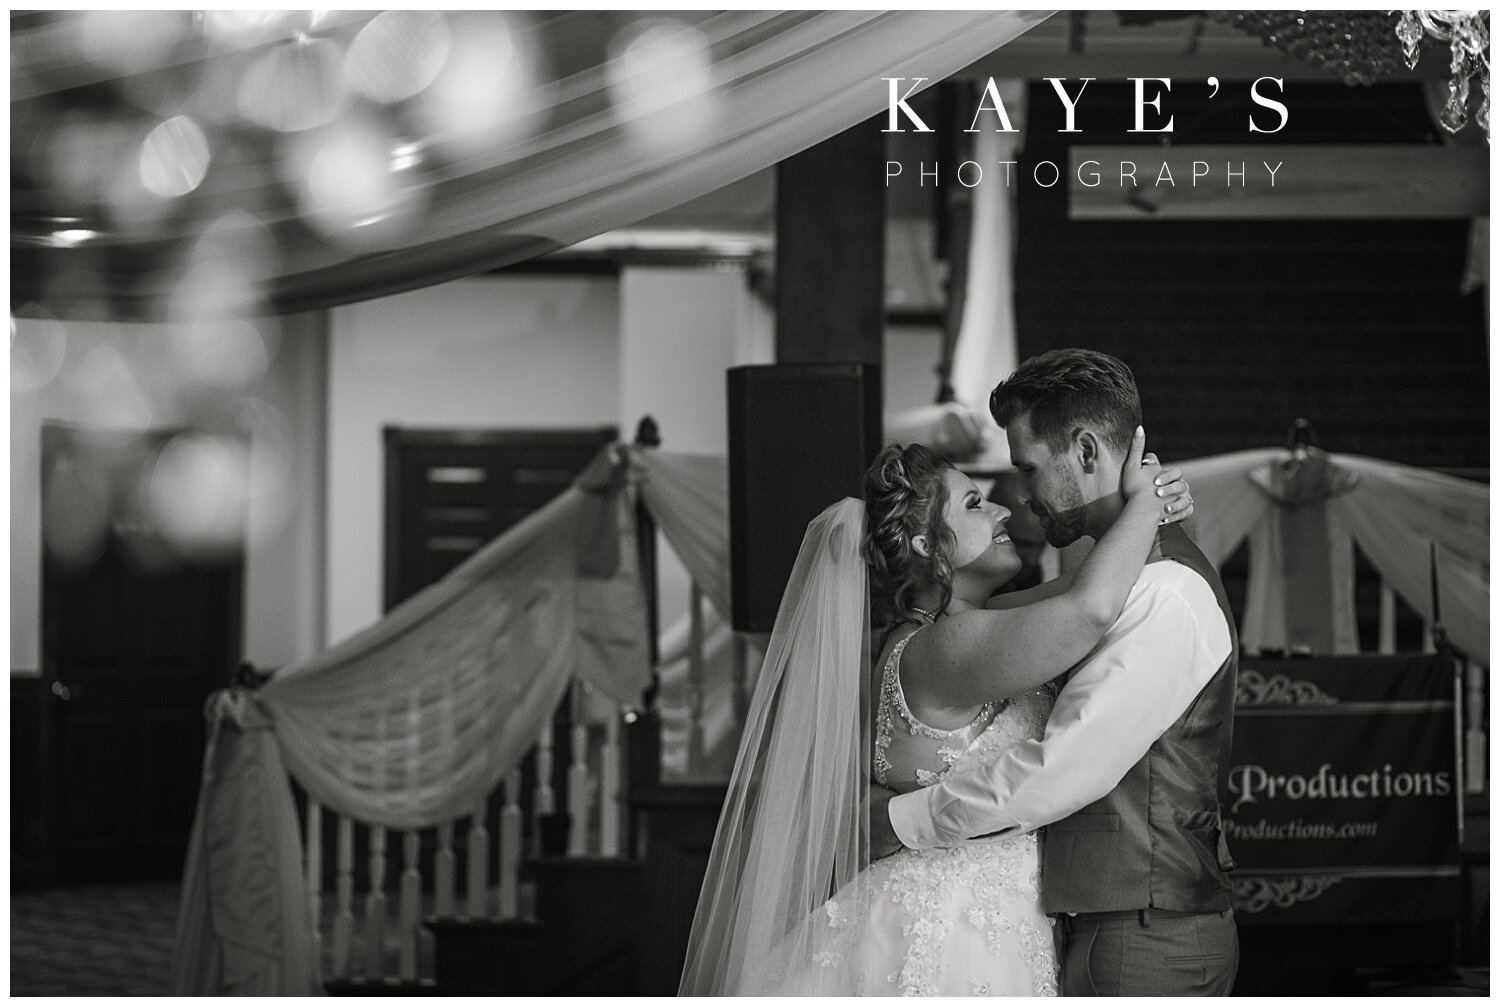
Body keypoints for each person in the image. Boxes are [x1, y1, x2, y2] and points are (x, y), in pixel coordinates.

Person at [679, 418, 1192, 995]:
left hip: (996, 923)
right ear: (926, 544)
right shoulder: (938, 648)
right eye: (975, 503)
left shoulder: (973, 627)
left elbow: (1101, 583)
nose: (1003, 512)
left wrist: (1140, 498)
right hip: (953, 935)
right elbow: (1090, 609)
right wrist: (1146, 507)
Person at [876, 348, 1240, 996]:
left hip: (1145, 930)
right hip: (1063, 928)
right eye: (976, 501)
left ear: (1088, 453)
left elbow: (1066, 767)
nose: (1014, 499)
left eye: (1026, 468)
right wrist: (1146, 505)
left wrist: (902, 821)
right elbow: (1078, 601)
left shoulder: (1161, 592)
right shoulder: (1092, 590)